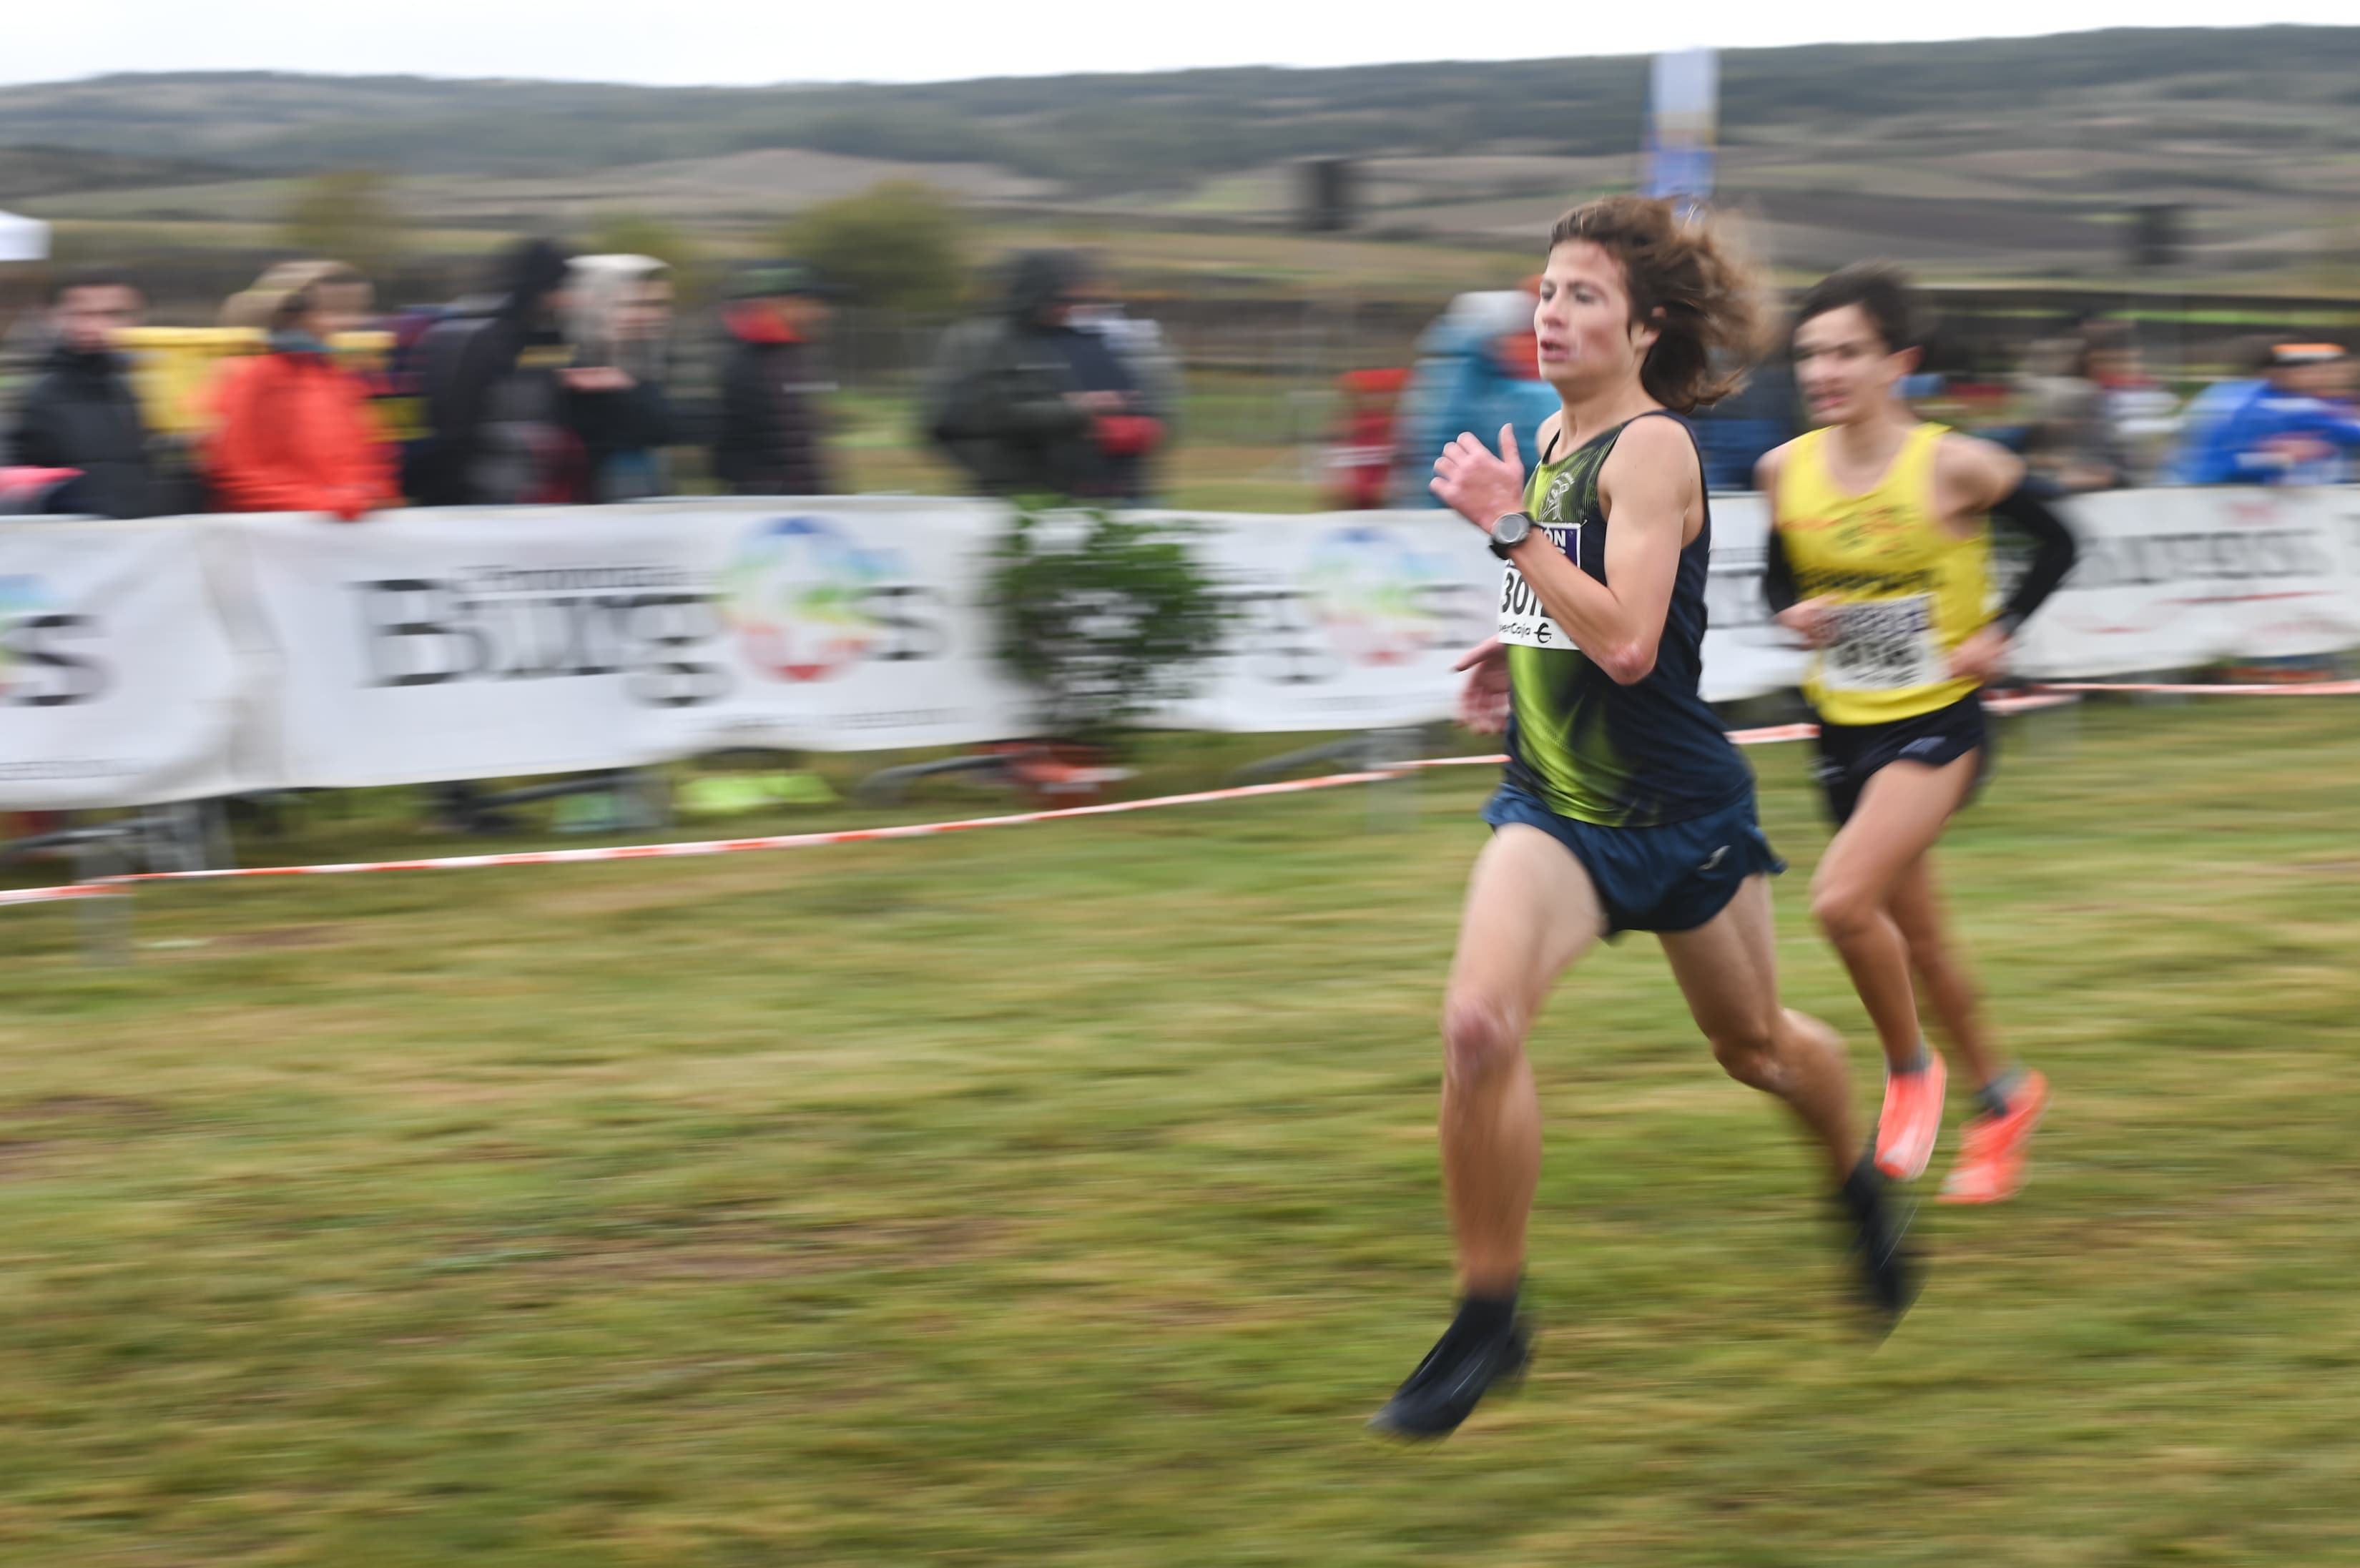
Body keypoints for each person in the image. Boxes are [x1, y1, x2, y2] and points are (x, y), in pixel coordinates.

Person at [1369, 197, 1915, 1444]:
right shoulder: (1558, 433)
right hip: (1555, 807)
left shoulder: (1653, 448)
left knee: (1760, 1051)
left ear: (1646, 325)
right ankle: (1488, 1315)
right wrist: (1507, 648)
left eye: (1583, 295)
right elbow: (1591, 606)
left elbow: (1623, 643)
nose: (1550, 312)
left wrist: (1505, 522)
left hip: (1680, 816)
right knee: (1477, 1022)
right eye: (1547, 290)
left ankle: (1858, 1188)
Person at [1758, 263, 2078, 1207]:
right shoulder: (1787, 469)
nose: (1824, 369)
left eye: (1847, 351)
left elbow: (2058, 538)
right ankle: (2005, 1097)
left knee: (1840, 903)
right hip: (1841, 727)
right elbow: (1779, 574)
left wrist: (2002, 626)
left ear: (1899, 363)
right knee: (1922, 944)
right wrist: (1794, 611)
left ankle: (1911, 1073)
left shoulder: (1953, 464)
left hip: (1938, 724)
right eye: (1812, 353)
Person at [923, 250, 1159, 503]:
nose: (1068, 310)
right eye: (1061, 301)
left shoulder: (1048, 337)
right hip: (1008, 493)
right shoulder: (982, 341)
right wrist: (1081, 408)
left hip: (1061, 490)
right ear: (1035, 295)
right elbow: (988, 414)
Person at [413, 238, 600, 506]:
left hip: (541, 500)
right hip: (489, 503)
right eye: (560, 289)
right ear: (538, 289)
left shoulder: (554, 342)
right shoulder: (485, 343)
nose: (570, 300)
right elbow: (456, 430)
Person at [204, 261, 398, 521]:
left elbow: (369, 454)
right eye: (333, 311)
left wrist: (373, 494)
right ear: (293, 316)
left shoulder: (335, 376)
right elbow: (240, 472)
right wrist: (330, 505)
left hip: (336, 527)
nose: (351, 322)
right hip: (287, 536)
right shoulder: (257, 376)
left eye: (356, 310)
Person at [4, 268, 183, 517]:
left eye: (115, 314)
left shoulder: (164, 386)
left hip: (154, 538)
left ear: (139, 317)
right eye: (83, 314)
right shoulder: (34, 396)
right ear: (55, 317)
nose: (99, 326)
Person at [1391, 284, 1559, 507]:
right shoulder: (1495, 389)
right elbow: (1534, 446)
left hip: (1429, 501)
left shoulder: (1435, 373)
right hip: (1466, 507)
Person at [712, 260, 839, 497]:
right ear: (781, 305)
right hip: (774, 509)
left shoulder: (793, 356)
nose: (822, 313)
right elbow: (729, 453)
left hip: (801, 503)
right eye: (811, 304)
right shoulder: (750, 364)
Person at [566, 254, 677, 501]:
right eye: (632, 305)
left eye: (658, 305)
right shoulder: (572, 369)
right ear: (597, 306)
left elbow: (660, 430)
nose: (650, 316)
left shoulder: (645, 364)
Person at [2173, 342, 2360, 486]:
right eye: (2309, 371)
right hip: (2208, 492)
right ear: (2277, 372)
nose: (2318, 377)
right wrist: (2277, 457)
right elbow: (2220, 462)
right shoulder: (2280, 406)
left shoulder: (2234, 391)